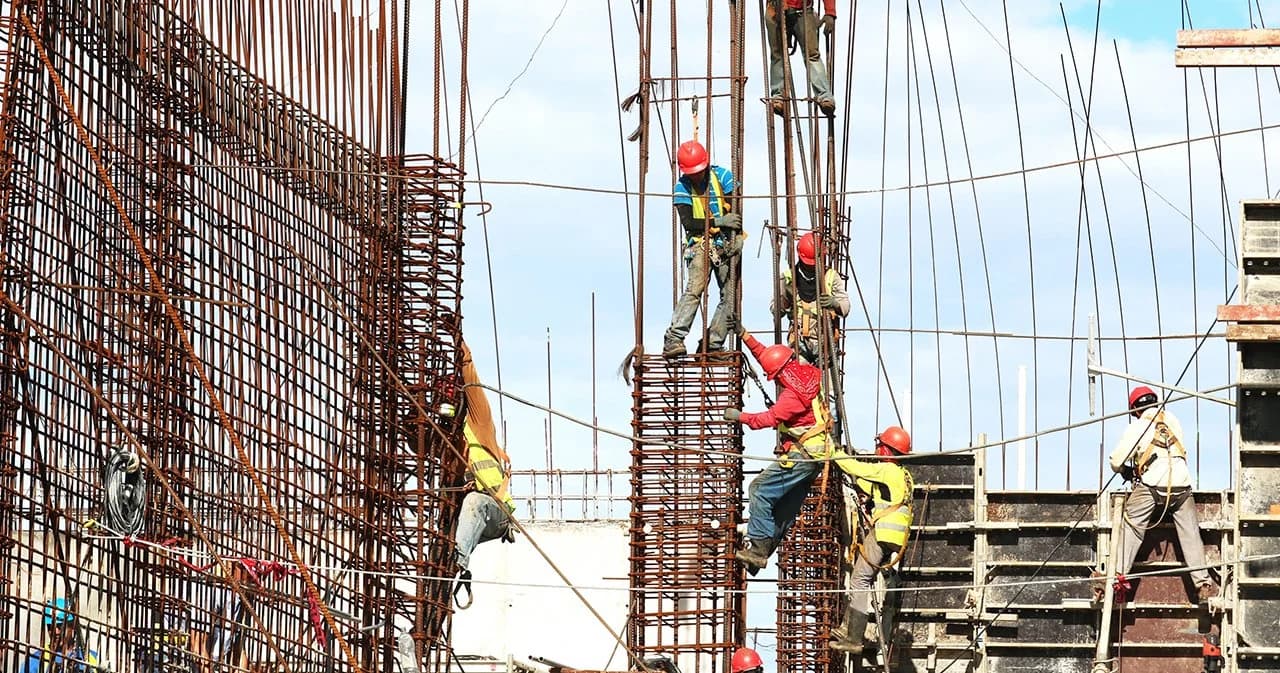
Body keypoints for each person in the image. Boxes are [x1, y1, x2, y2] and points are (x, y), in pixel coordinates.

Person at [724, 329, 830, 573]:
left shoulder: (792, 396)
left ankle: (758, 549)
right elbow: (769, 356)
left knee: (759, 490)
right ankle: (759, 555)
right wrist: (744, 334)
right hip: (814, 459)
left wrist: (739, 416)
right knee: (784, 509)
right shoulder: (806, 375)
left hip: (802, 456)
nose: (775, 381)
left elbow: (768, 419)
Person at [1102, 386, 1219, 603]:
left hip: (1152, 486)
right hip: (1182, 486)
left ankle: (1117, 576)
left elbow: (1115, 460)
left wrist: (1127, 471)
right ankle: (1202, 583)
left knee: (1132, 526)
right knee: (1191, 534)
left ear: (1135, 410)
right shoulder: (1173, 420)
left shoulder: (1138, 426)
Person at [828, 427, 914, 654]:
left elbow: (857, 467)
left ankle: (854, 638)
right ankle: (848, 627)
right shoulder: (903, 475)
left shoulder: (887, 469)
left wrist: (834, 452)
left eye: (879, 445)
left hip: (883, 533)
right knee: (863, 578)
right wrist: (855, 482)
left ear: (886, 449)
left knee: (859, 581)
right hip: (895, 538)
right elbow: (872, 486)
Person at [663, 140, 743, 358]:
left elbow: (735, 209)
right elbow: (688, 223)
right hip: (700, 245)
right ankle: (674, 338)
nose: (696, 176)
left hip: (723, 245)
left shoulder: (723, 176)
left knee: (731, 295)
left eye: (699, 171)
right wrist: (719, 222)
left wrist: (736, 234)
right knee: (694, 290)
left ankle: (713, 343)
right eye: (692, 173)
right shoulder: (682, 187)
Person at [453, 343, 516, 605]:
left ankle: (457, 559)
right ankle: (448, 566)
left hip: (497, 512)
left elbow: (472, 385)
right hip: (471, 520)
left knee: (475, 502)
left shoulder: (478, 424)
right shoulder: (447, 441)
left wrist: (462, 351)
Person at [772, 231, 850, 365]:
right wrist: (785, 300)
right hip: (800, 345)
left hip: (825, 345)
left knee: (829, 386)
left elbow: (845, 307)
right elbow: (776, 311)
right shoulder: (788, 278)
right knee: (802, 383)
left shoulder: (831, 276)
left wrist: (834, 304)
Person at [764, 0, 837, 115]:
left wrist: (830, 13)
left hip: (803, 10)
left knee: (812, 55)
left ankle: (824, 96)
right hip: (775, 11)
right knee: (777, 55)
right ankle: (778, 96)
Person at [23, 597, 101, 672]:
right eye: (51, 627)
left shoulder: (91, 658)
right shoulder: (34, 661)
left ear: (73, 626)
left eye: (60, 626)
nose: (56, 632)